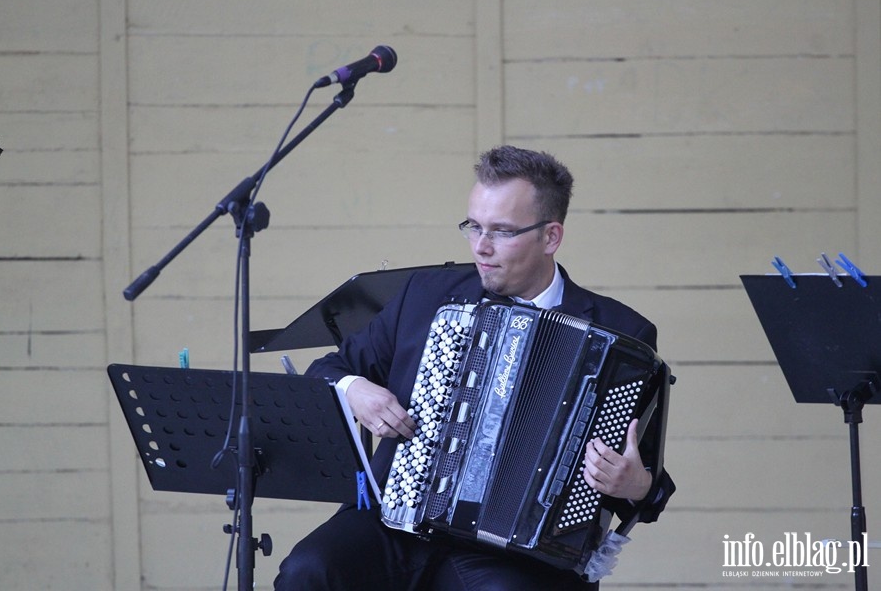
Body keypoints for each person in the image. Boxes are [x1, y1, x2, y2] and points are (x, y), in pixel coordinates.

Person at [274, 145, 674, 590]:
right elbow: (327, 369)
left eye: (501, 232)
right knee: (308, 570)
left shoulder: (621, 333)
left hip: (519, 552)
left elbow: (650, 484)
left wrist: (634, 485)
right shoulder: (424, 294)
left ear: (551, 236)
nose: (481, 247)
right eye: (473, 227)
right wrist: (355, 389)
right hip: (397, 520)